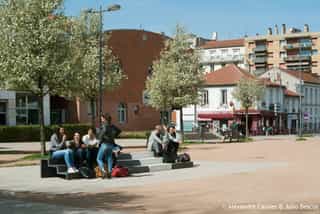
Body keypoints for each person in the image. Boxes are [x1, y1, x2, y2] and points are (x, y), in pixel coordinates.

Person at [97, 113, 121, 179]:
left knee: (99, 158)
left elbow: (102, 133)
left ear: (105, 119)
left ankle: (104, 171)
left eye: (102, 118)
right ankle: (110, 172)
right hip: (111, 145)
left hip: (104, 144)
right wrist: (113, 136)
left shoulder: (104, 126)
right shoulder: (112, 126)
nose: (101, 119)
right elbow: (119, 131)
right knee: (109, 158)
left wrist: (100, 140)